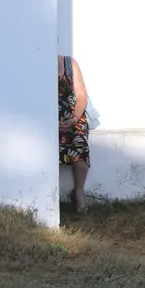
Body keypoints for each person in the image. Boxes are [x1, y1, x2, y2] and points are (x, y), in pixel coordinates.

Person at [59, 54, 91, 214]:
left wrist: (74, 118)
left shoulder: (69, 63)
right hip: (47, 118)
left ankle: (78, 192)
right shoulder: (34, 64)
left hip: (73, 117)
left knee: (79, 143)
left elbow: (81, 96)